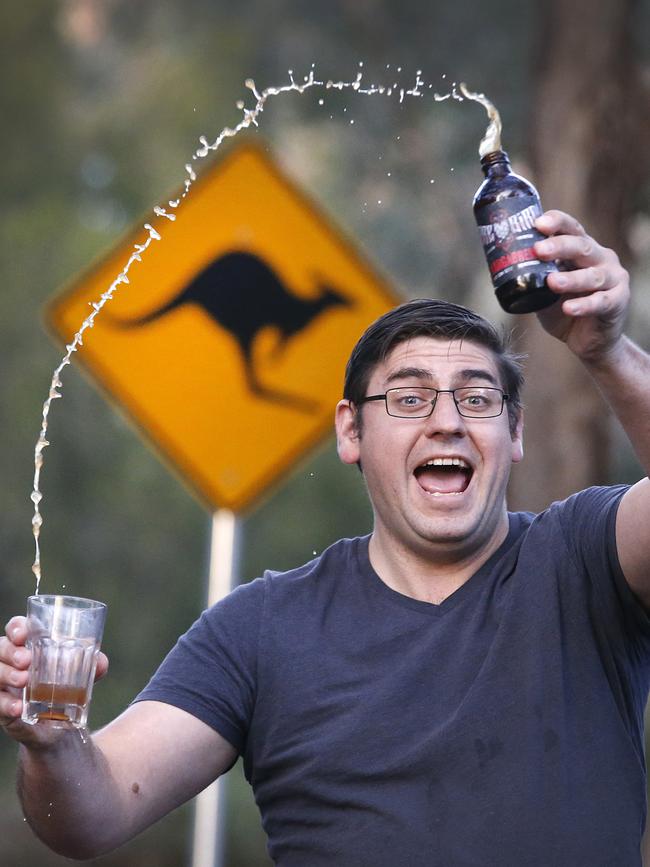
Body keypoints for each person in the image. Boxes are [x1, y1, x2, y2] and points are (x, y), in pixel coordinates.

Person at [2, 209, 650, 866]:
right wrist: (51, 743)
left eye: (478, 399)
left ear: (514, 433)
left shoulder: (584, 559)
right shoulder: (259, 629)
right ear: (351, 432)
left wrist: (610, 352)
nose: (447, 421)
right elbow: (91, 813)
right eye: (408, 398)